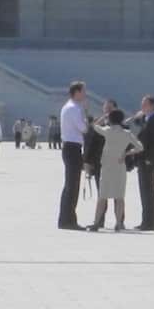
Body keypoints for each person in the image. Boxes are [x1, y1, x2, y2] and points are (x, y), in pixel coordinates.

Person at [87, 108, 142, 232]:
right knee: (119, 196)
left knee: (102, 197)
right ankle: (118, 223)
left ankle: (96, 223)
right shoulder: (127, 133)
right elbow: (140, 147)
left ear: (110, 120)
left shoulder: (108, 131)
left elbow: (94, 126)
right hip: (120, 166)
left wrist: (103, 116)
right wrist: (126, 153)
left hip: (106, 166)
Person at [58, 81, 88, 230]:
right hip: (73, 148)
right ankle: (68, 220)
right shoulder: (74, 109)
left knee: (70, 185)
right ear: (76, 92)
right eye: (83, 91)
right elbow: (83, 128)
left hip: (69, 147)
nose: (85, 94)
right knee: (72, 186)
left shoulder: (68, 107)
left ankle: (66, 218)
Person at [134, 95, 154, 231]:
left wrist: (150, 158)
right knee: (145, 190)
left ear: (152, 106)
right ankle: (146, 220)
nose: (142, 106)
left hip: (148, 160)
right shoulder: (147, 119)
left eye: (145, 104)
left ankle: (150, 222)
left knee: (149, 190)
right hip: (143, 158)